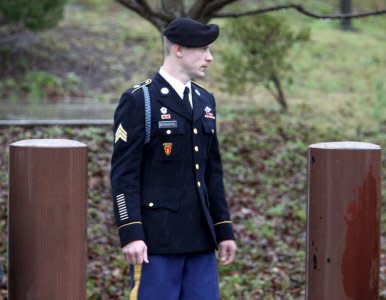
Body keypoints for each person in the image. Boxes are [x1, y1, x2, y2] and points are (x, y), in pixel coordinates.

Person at [110, 17, 237, 300]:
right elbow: (123, 176)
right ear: (178, 49)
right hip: (157, 243)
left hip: (201, 241)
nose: (210, 57)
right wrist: (131, 232)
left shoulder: (205, 101)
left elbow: (212, 172)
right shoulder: (140, 100)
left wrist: (223, 229)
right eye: (203, 49)